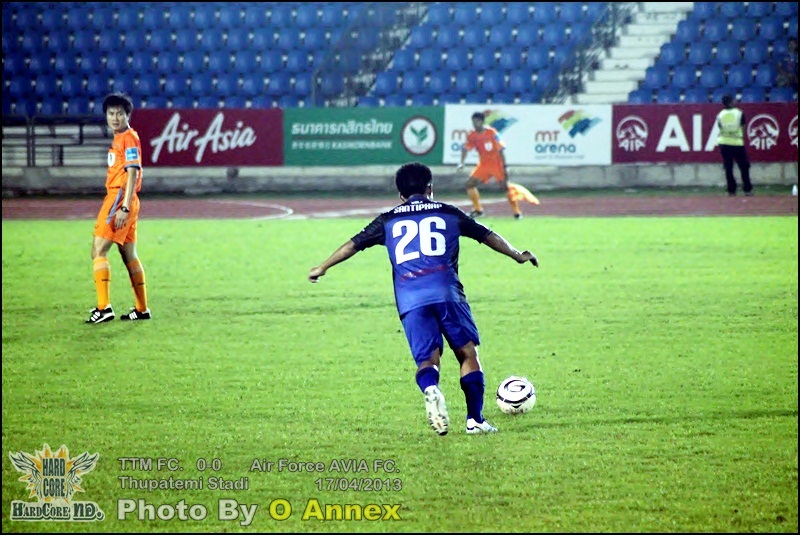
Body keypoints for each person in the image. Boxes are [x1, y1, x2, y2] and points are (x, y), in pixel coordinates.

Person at [308, 162, 539, 435]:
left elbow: (353, 245)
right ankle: (475, 420)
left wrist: (322, 266)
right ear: (430, 188)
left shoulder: (387, 220)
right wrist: (517, 255)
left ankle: (430, 387)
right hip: (447, 293)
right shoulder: (448, 212)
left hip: (409, 299)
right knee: (467, 353)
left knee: (427, 361)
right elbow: (487, 235)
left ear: (400, 195)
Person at [86, 93, 151, 323]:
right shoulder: (121, 138)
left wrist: (123, 207)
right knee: (129, 254)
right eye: (111, 113)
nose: (115, 118)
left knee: (98, 250)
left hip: (119, 199)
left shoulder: (128, 138)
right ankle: (142, 309)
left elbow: (132, 172)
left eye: (119, 114)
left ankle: (104, 308)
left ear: (127, 115)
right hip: (127, 199)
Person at [457, 111, 523, 219]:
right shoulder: (472, 135)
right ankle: (478, 210)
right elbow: (466, 148)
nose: (475, 124)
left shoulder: (491, 132)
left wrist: (504, 166)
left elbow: (501, 149)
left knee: (505, 187)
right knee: (470, 184)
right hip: (483, 165)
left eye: (477, 121)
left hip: (496, 164)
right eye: (473, 122)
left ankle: (517, 212)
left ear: (483, 122)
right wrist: (462, 162)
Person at [715, 94, 753, 197]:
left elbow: (720, 127)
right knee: (744, 166)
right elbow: (743, 127)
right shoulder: (739, 113)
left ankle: (731, 190)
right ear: (731, 102)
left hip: (724, 143)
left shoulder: (720, 114)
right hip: (737, 142)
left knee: (728, 167)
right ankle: (747, 189)